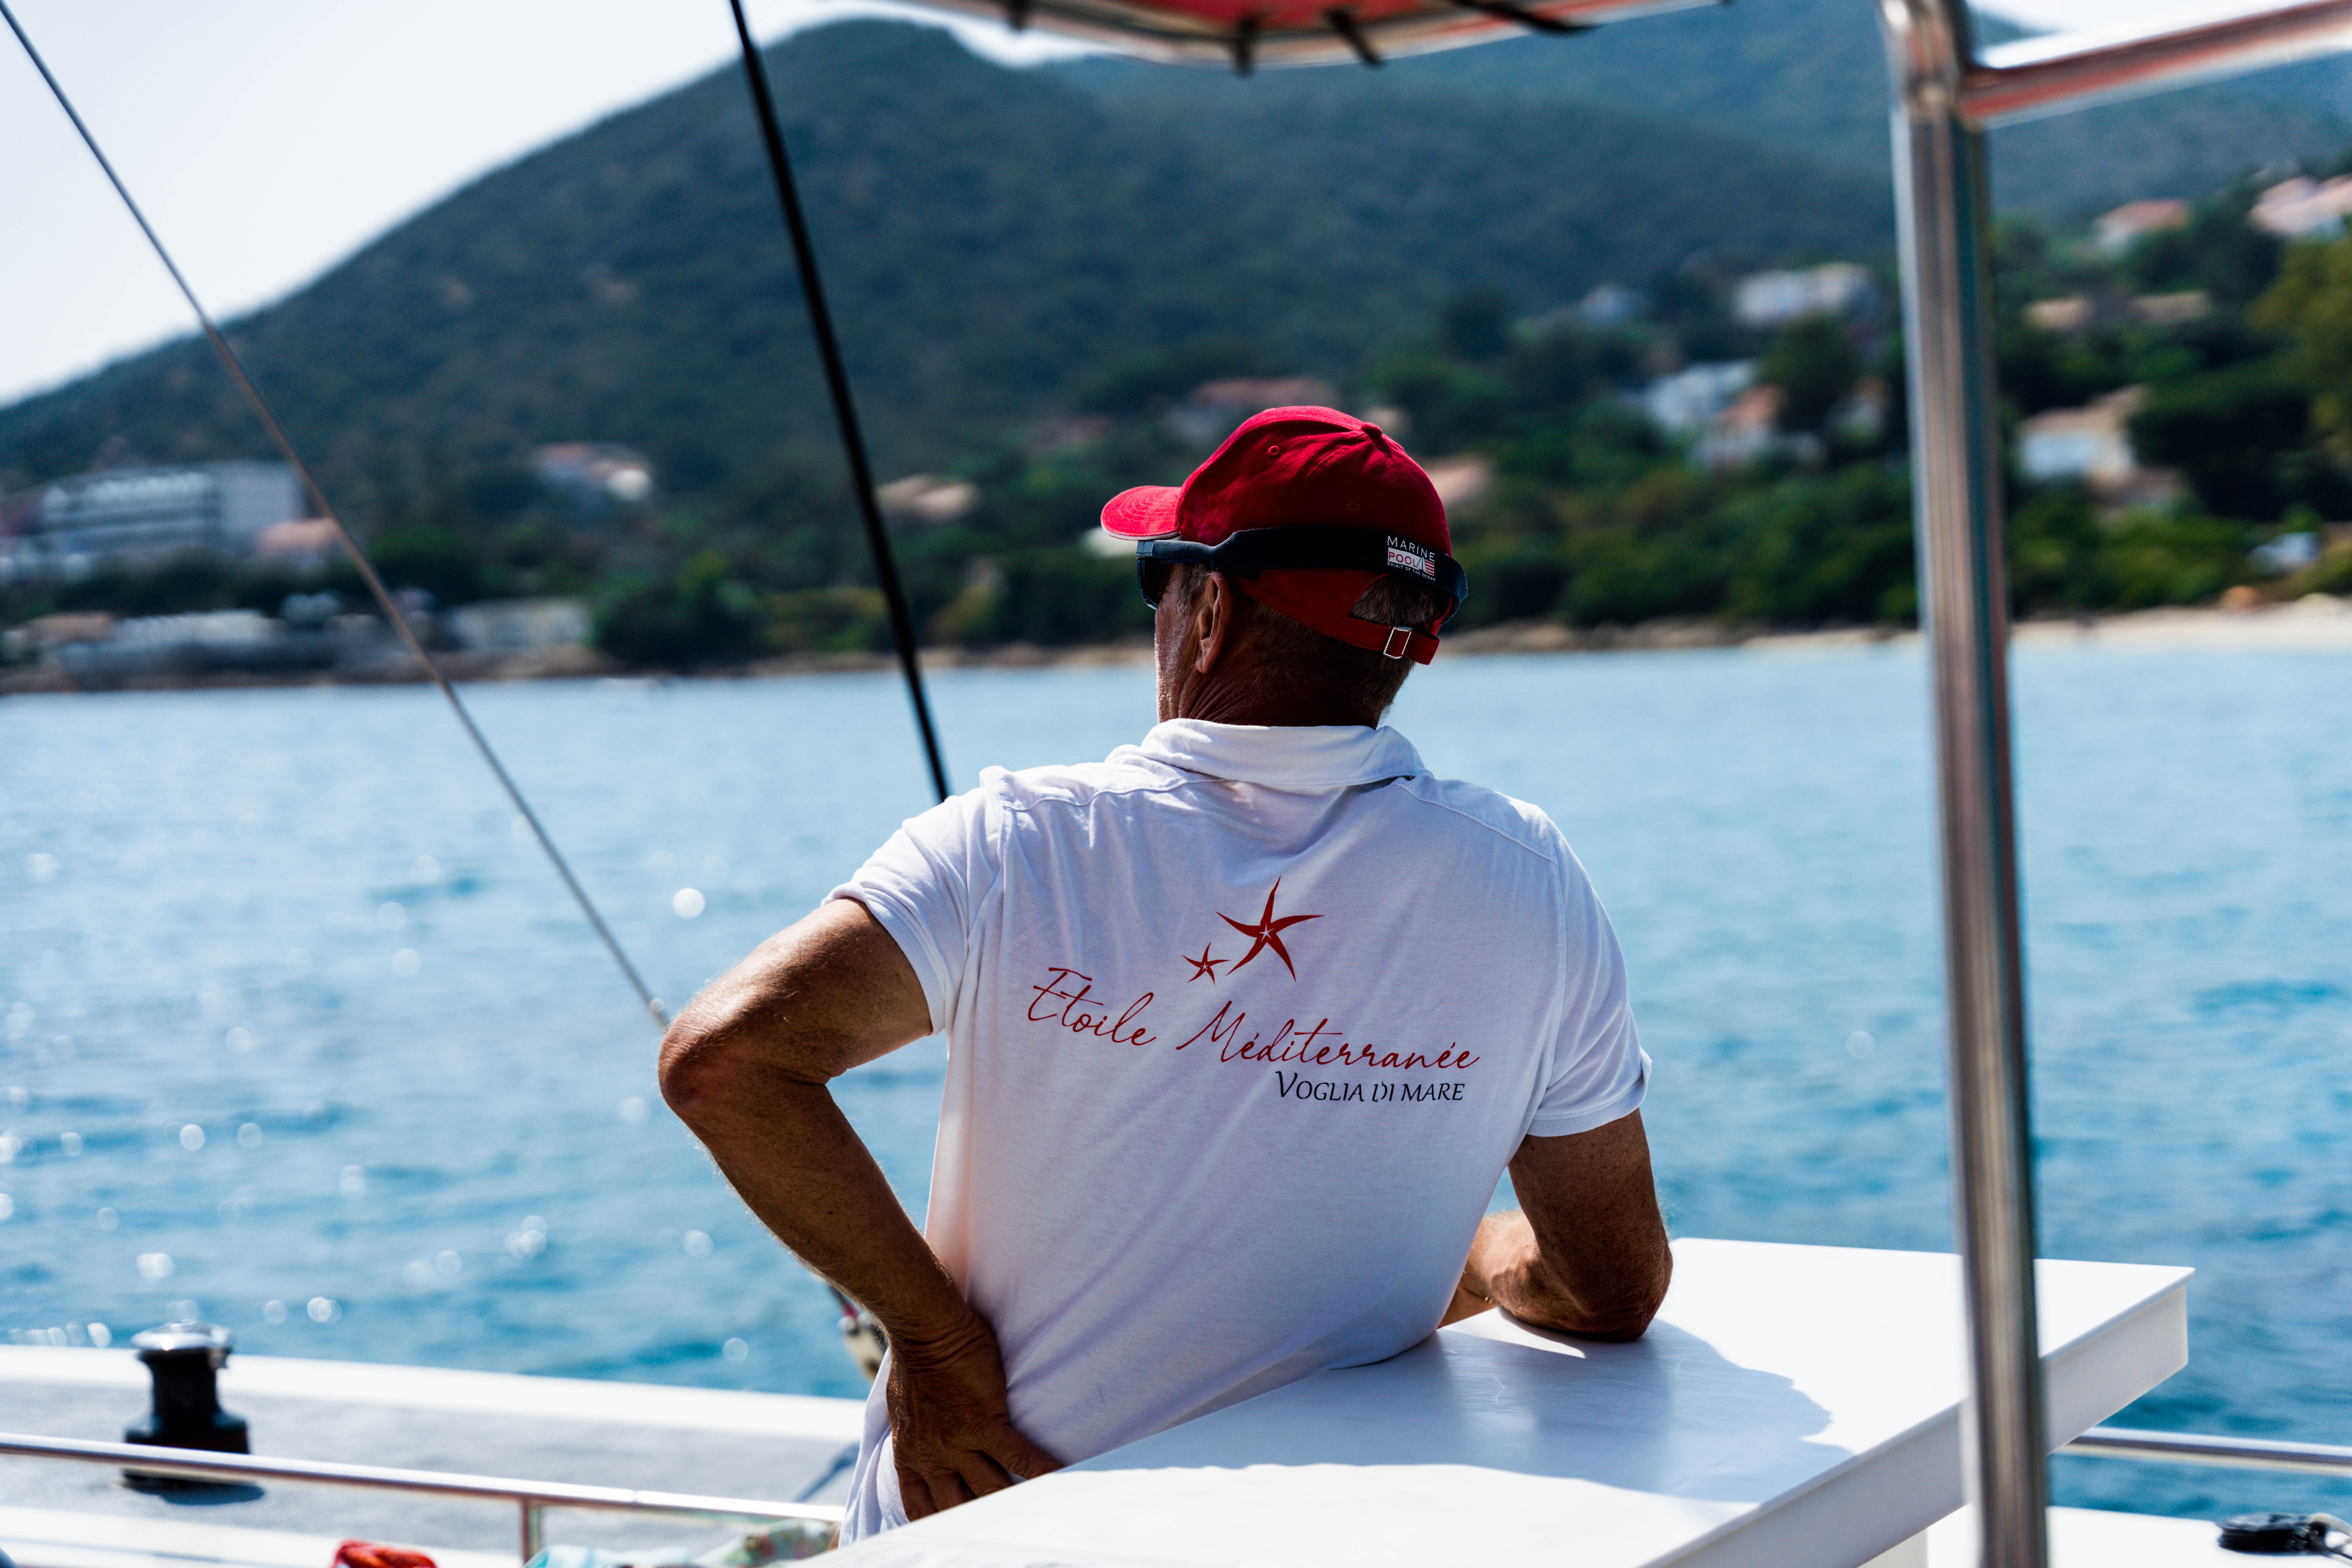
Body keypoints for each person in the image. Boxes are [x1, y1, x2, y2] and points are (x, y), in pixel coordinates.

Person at [658, 406, 1671, 1545]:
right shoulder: (1530, 882)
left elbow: (726, 1063)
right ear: (1412, 638)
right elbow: (1611, 1290)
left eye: (1161, 578)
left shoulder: (1017, 844)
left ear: (1214, 611)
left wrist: (940, 1354)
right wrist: (1480, 1252)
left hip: (992, 1526)